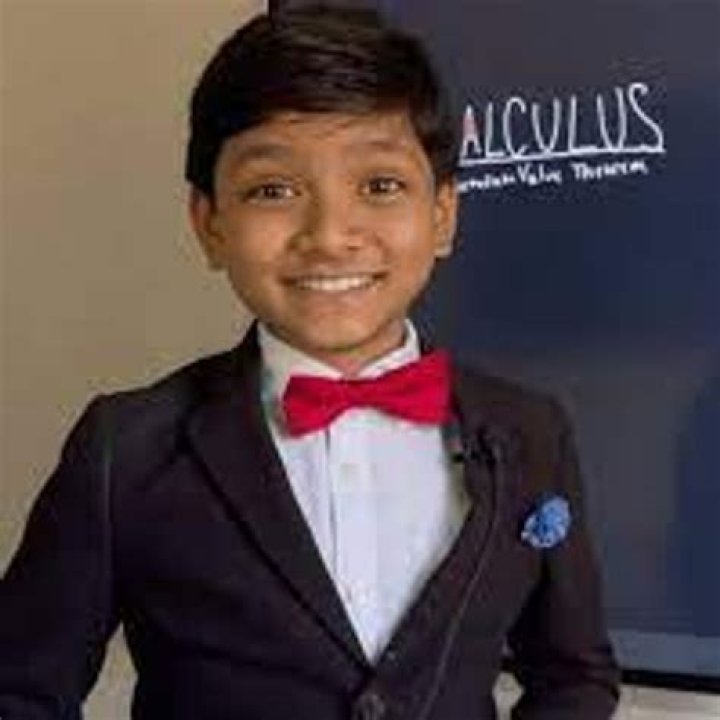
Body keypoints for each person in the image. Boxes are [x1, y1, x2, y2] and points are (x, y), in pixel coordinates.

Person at [0, 5, 619, 719]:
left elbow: (574, 674)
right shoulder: (125, 448)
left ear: (443, 215)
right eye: (274, 191)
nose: (329, 235)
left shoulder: (530, 432)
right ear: (209, 223)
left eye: (380, 186)